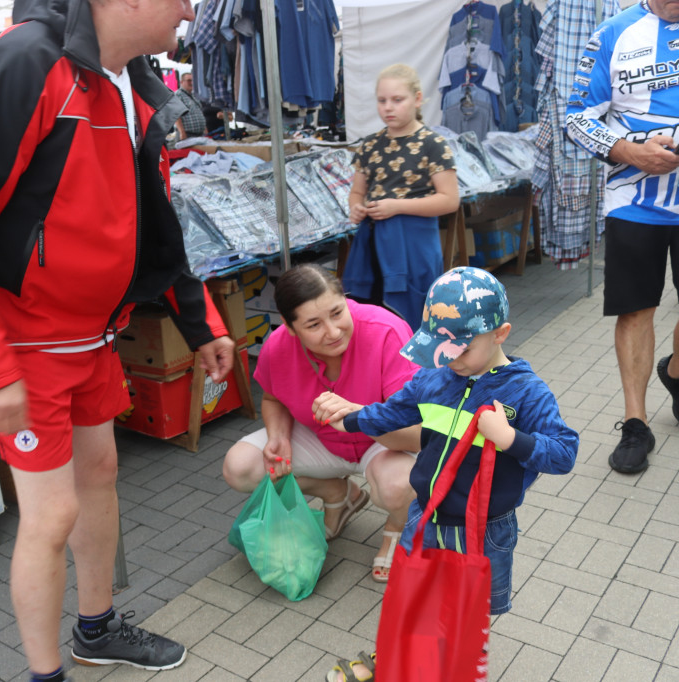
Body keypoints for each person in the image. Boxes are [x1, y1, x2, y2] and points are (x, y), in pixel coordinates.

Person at [0, 0, 234, 679]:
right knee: (51, 514)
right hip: (24, 347)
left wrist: (198, 319)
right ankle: (44, 673)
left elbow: (154, 221)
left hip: (92, 337)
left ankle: (96, 628)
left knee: (100, 477)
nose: (189, 7)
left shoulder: (134, 79)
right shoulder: (27, 61)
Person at [317, 266, 579, 682]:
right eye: (442, 349)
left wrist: (511, 439)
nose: (451, 360)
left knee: (468, 609)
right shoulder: (435, 378)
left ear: (500, 333)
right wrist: (349, 419)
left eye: (461, 348)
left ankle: (453, 669)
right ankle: (399, 661)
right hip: (426, 514)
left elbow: (564, 453)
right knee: (412, 595)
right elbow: (392, 411)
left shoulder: (527, 392)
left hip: (484, 527)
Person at [564, 0, 679, 474]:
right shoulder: (612, 33)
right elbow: (577, 117)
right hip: (634, 200)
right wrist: (626, 149)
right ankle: (635, 422)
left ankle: (678, 372)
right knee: (635, 309)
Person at [222, 264, 421, 583]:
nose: (332, 331)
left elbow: (418, 436)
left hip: (385, 443)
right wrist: (278, 436)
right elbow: (273, 398)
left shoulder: (387, 330)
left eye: (337, 312)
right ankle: (339, 494)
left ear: (346, 300)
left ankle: (397, 527)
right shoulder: (278, 347)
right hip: (322, 438)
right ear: (289, 327)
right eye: (313, 324)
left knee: (401, 487)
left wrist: (360, 415)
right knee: (240, 467)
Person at [344, 63, 460, 330]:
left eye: (397, 100)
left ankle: (419, 371)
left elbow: (449, 200)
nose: (388, 107)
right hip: (373, 243)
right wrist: (357, 209)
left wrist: (396, 207)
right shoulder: (370, 145)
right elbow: (357, 192)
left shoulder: (433, 144)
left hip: (414, 245)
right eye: (382, 100)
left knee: (414, 318)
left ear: (417, 99)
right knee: (372, 315)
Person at [174, 72, 207, 139]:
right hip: (187, 135)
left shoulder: (194, 95)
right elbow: (176, 115)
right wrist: (182, 132)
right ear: (181, 82)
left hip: (199, 135)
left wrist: (205, 129)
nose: (191, 82)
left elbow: (199, 113)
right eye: (189, 80)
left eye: (193, 80)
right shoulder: (178, 95)